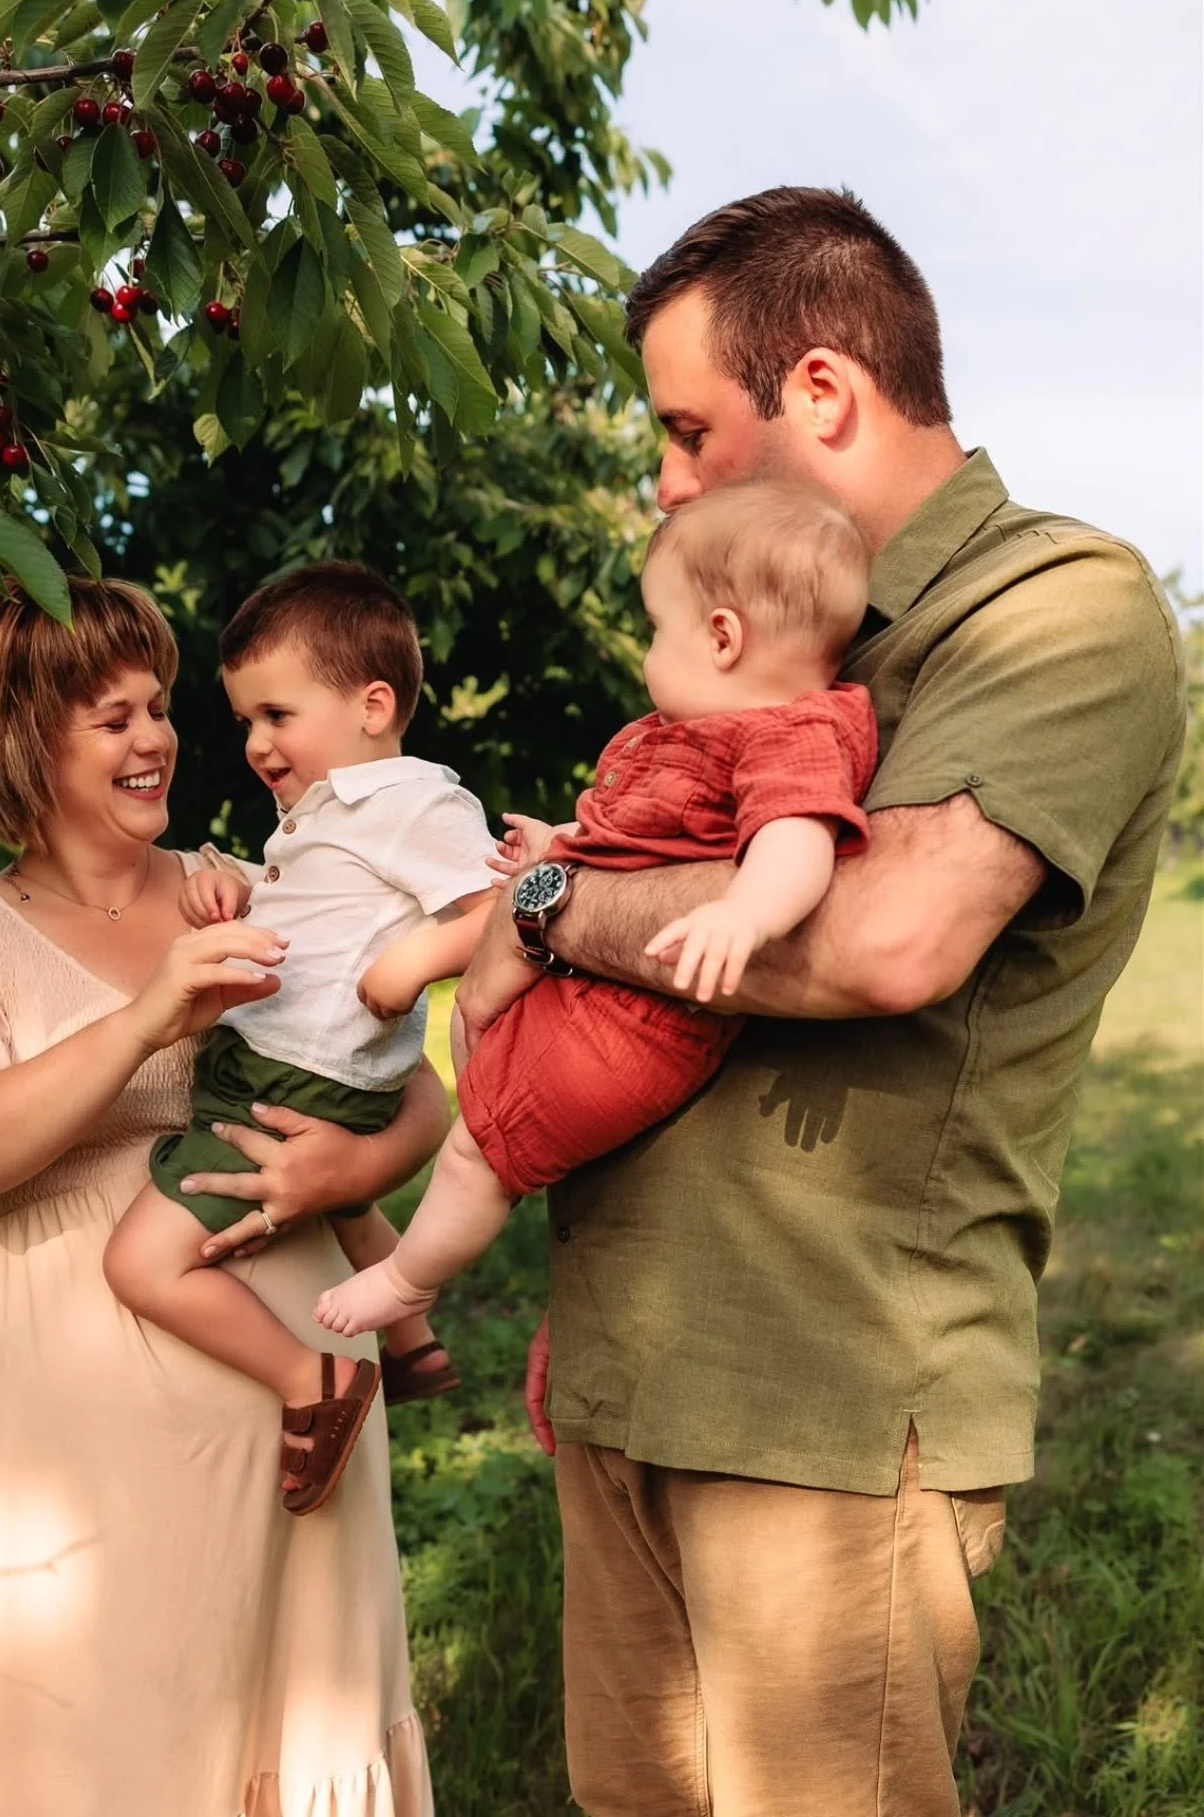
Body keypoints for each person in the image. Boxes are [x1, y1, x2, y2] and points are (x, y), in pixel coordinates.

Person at [455, 187, 1187, 1817]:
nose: (665, 479)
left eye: (688, 428)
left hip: (824, 1417)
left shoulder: (1056, 605)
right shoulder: (758, 630)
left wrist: (550, 907)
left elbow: (884, 938)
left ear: (827, 394)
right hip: (629, 1377)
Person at [0, 580, 437, 1817]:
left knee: (304, 1722)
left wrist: (349, 1172)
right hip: (77, 1458)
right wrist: (149, 1016)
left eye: (157, 708)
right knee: (99, 1750)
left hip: (302, 1433)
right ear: (21, 741)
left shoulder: (251, 883)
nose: (155, 738)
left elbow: (412, 1088)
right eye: (112, 718)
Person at [316, 483, 876, 1337]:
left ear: (723, 636)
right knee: (485, 1081)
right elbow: (641, 836)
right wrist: (561, 845)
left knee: (479, 1156)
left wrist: (747, 915)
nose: (651, 649)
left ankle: (407, 1282)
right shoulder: (695, 731)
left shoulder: (784, 733)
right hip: (591, 991)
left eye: (659, 626)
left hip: (641, 1024)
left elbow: (795, 839)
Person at [102, 563, 497, 1513]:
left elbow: (502, 906)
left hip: (303, 1068)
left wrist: (408, 969)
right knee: (331, 1195)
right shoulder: (328, 813)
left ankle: (311, 1381)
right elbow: (327, 910)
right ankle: (412, 1342)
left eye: (277, 715)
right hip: (295, 1060)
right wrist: (232, 887)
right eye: (245, 721)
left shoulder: (412, 802)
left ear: (373, 705)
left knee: (139, 1264)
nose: (256, 743)